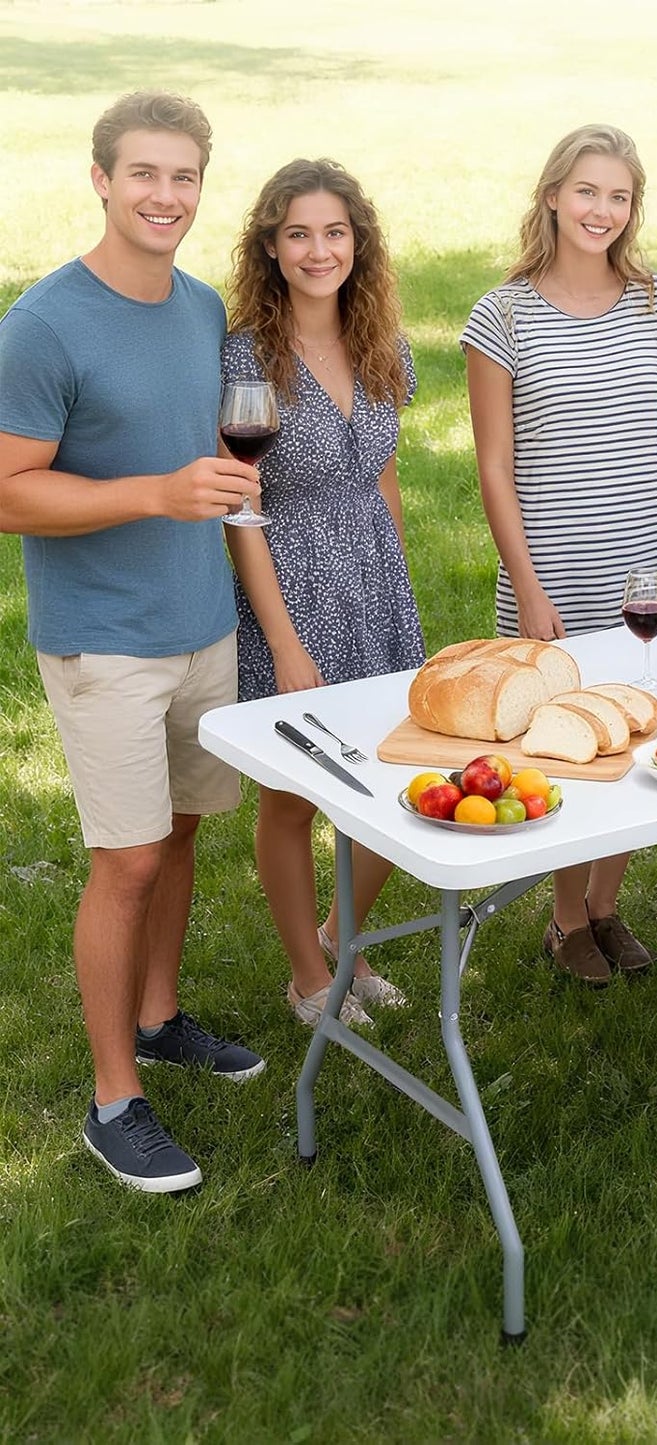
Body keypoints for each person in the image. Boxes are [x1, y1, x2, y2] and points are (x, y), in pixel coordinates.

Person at [0, 92, 266, 1194]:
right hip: (103, 639)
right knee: (128, 859)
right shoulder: (43, 324)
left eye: (184, 176)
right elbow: (8, 491)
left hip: (201, 621)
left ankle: (159, 1018)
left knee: (183, 829)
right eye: (144, 174)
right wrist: (155, 492)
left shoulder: (201, 307)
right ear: (101, 179)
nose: (166, 196)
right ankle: (115, 1100)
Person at [462, 124, 657, 985]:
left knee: (631, 732)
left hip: (643, 569)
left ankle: (603, 902)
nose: (602, 210)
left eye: (619, 196)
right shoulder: (502, 315)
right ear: (553, 196)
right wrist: (527, 586)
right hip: (553, 574)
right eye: (587, 191)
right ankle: (564, 918)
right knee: (565, 745)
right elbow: (494, 466)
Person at [225, 158, 424, 1028]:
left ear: (358, 242)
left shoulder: (384, 346)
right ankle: (309, 977)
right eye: (298, 233)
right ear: (270, 247)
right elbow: (240, 507)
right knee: (295, 793)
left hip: (375, 584)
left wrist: (397, 587)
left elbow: (381, 474)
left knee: (390, 773)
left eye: (334, 232)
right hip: (290, 584)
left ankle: (343, 941)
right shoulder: (245, 357)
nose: (318, 251)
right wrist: (282, 641)